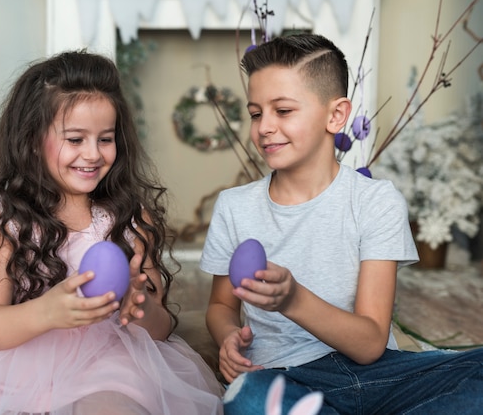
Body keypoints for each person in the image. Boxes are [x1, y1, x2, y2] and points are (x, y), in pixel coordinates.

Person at [0, 50, 223, 415]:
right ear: (31, 139)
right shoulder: (3, 220)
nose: (93, 154)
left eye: (105, 139)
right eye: (75, 139)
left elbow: (159, 329)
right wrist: (47, 311)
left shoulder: (130, 218)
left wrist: (138, 308)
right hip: (20, 367)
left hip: (116, 364)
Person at [199, 33, 483, 414]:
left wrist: (292, 299)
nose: (264, 126)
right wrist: (228, 337)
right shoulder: (234, 207)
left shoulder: (376, 201)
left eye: (282, 111)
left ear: (336, 115)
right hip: (284, 375)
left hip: (381, 376)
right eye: (255, 113)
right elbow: (220, 305)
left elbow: (368, 344)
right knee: (250, 397)